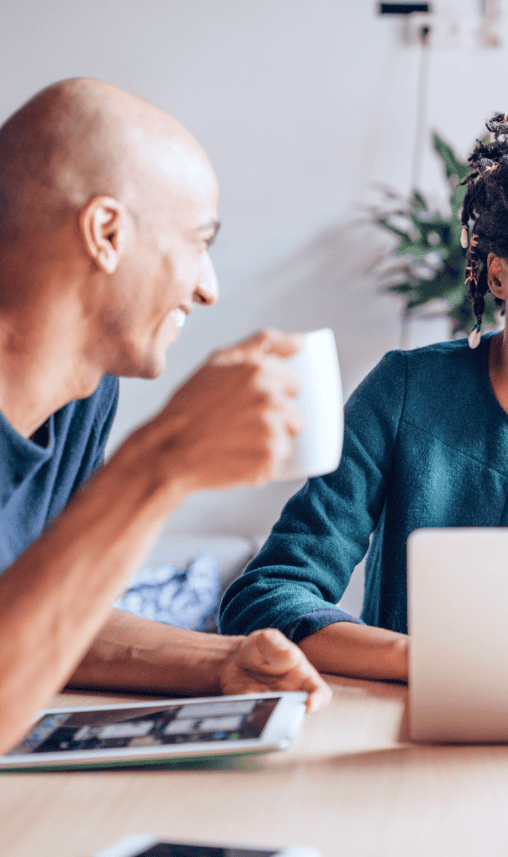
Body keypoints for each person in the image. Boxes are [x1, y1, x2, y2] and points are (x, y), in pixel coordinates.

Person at [220, 96, 508, 681]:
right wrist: (425, 661)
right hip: (430, 734)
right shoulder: (406, 394)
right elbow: (267, 596)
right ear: (499, 273)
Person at [0, 77, 391, 751]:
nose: (207, 288)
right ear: (107, 233)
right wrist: (161, 461)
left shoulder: (86, 395)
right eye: (197, 241)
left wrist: (218, 662)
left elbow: (45, 610)